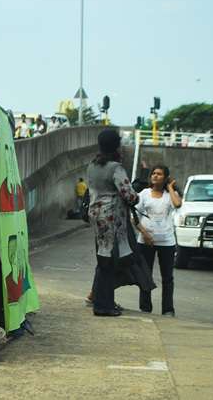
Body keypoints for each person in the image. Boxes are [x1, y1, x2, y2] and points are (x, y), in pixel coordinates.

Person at [86, 129, 138, 316]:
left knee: (103, 260)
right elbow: (129, 195)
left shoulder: (91, 165)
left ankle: (103, 301)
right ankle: (103, 305)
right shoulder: (116, 168)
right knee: (108, 263)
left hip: (96, 216)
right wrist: (136, 196)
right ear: (116, 145)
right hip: (111, 220)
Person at [134, 165, 182, 316]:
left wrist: (170, 187)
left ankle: (168, 309)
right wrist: (144, 233)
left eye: (159, 174)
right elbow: (134, 217)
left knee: (167, 277)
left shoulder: (170, 195)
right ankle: (145, 307)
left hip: (167, 242)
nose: (155, 176)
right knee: (145, 275)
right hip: (145, 241)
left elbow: (178, 204)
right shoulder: (144, 194)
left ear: (165, 177)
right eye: (153, 173)